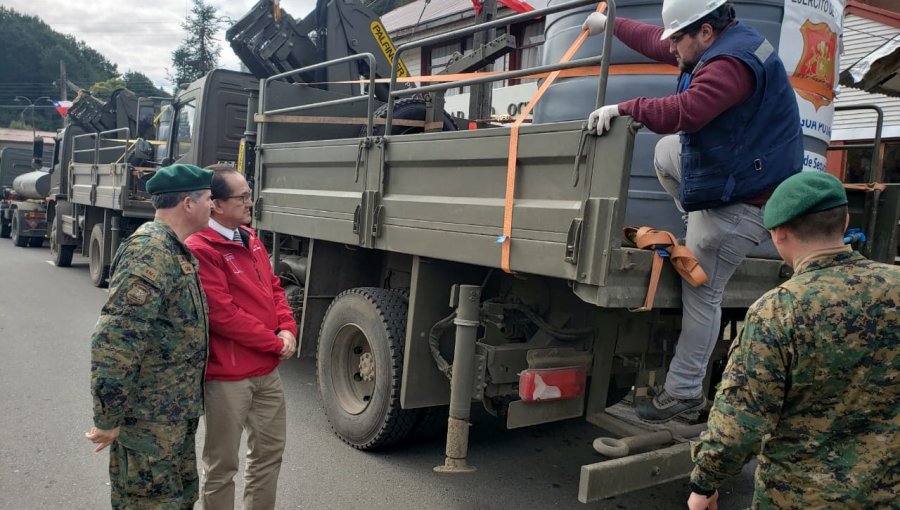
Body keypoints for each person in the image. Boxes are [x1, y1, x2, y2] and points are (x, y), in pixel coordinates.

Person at [583, 0, 803, 422]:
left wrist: (624, 108)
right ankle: (700, 222)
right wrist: (610, 24)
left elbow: (687, 112)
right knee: (667, 154)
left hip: (747, 199)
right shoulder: (715, 39)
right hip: (737, 174)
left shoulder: (729, 67)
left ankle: (683, 391)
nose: (671, 48)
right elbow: (657, 41)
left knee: (701, 290)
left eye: (677, 39)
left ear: (704, 32)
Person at [687, 171, 900, 509]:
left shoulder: (777, 310)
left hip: (798, 498)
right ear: (845, 221)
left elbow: (741, 423)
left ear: (778, 235)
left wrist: (704, 482)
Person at [87, 163, 214, 509]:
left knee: (177, 500)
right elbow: (116, 339)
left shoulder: (174, 249)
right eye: (208, 199)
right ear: (188, 203)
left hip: (172, 416)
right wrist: (108, 417)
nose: (213, 206)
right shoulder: (151, 250)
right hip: (148, 421)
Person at [185, 166, 297, 510]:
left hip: (266, 373)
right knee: (222, 466)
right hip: (228, 377)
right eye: (242, 196)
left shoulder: (251, 239)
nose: (250, 202)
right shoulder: (201, 247)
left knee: (268, 457)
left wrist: (288, 327)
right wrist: (274, 342)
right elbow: (223, 315)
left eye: (250, 194)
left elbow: (274, 289)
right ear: (215, 204)